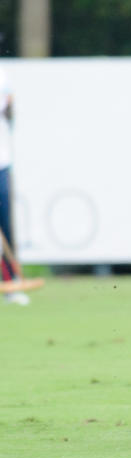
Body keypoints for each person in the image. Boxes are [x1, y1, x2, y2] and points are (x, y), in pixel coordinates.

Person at [0, 64, 26, 306]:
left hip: (2, 162)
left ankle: (10, 282)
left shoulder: (1, 73)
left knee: (5, 224)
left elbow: (9, 110)